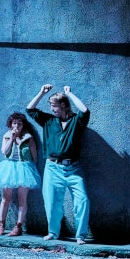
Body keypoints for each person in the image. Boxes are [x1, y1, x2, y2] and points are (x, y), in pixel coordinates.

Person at [27, 83, 91, 244]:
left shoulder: (76, 121)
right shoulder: (48, 121)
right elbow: (30, 109)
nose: (51, 109)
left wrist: (69, 94)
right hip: (52, 167)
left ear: (63, 105)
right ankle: (53, 233)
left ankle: (80, 236)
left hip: (73, 168)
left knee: (82, 200)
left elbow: (85, 111)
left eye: (54, 105)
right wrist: (41, 92)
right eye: (50, 105)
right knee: (51, 202)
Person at [0, 112, 41, 236]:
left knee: (22, 199)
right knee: (6, 198)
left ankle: (18, 227)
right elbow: (4, 152)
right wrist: (12, 138)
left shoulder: (28, 137)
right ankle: (1, 224)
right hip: (9, 168)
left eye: (19, 124)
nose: (16, 126)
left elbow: (34, 156)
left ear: (23, 125)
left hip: (24, 168)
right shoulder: (7, 136)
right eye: (14, 123)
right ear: (10, 124)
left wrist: (31, 169)